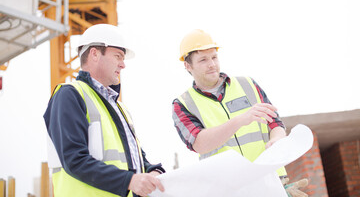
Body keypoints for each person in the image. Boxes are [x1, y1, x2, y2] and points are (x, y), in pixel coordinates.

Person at [172, 29, 308, 196]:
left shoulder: (248, 84)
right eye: (203, 60)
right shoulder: (183, 104)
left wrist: (277, 139)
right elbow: (199, 144)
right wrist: (240, 120)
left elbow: (275, 123)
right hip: (228, 190)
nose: (212, 64)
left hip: (270, 182)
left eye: (214, 57)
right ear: (188, 66)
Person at [44, 24, 165, 197]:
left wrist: (153, 171)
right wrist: (129, 181)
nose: (123, 65)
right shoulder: (69, 95)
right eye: (118, 56)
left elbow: (135, 158)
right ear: (94, 54)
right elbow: (74, 160)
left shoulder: (119, 107)